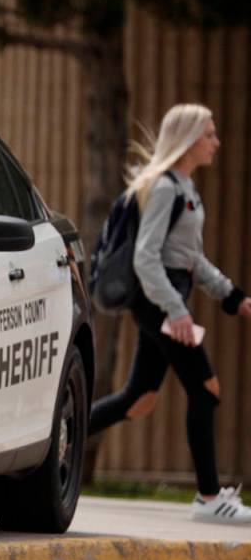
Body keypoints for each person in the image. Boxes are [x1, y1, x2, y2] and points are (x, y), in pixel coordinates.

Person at [89, 103, 251, 523]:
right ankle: (210, 498)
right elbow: (146, 259)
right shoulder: (163, 188)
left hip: (166, 301)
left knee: (139, 399)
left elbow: (191, 260)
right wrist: (176, 312)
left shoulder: (186, 188)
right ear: (189, 139)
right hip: (158, 303)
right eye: (210, 134)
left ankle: (41, 447)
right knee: (206, 388)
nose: (217, 142)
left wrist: (233, 296)